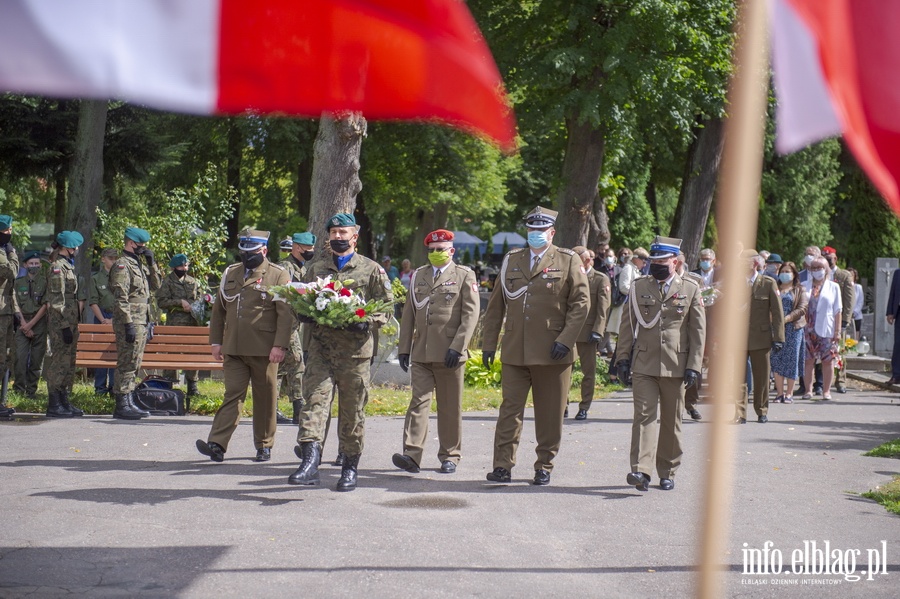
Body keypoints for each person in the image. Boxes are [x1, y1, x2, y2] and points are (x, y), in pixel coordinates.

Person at [481, 206, 588, 486]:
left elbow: (581, 304)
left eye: (541, 231)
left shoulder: (567, 260)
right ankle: (502, 465)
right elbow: (496, 306)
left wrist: (565, 340)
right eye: (532, 230)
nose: (536, 235)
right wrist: (489, 344)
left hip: (554, 350)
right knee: (509, 410)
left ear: (551, 232)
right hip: (516, 349)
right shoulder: (512, 260)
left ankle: (544, 464)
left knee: (550, 413)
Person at [289, 213, 393, 492]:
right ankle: (310, 462)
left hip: (355, 353)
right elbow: (300, 298)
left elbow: (386, 306)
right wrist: (304, 313)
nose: (337, 237)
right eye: (333, 232)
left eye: (343, 232)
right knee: (313, 403)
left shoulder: (371, 269)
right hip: (321, 349)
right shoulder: (317, 268)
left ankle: (349, 467)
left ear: (354, 237)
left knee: (352, 411)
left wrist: (367, 321)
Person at [615, 236, 705, 491]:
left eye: (662, 261)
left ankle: (667, 470)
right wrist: (622, 358)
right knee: (643, 417)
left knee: (670, 420)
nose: (656, 265)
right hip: (644, 362)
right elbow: (627, 325)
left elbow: (698, 331)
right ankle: (641, 471)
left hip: (677, 364)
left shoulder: (690, 288)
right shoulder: (638, 286)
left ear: (675, 262)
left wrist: (694, 366)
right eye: (653, 260)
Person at [197, 228, 292, 463]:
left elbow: (286, 315)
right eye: (243, 252)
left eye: (252, 252)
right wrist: (216, 342)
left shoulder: (278, 275)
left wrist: (280, 345)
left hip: (265, 349)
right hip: (234, 348)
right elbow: (219, 311)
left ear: (264, 250)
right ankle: (217, 444)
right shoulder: (230, 273)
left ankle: (264, 444)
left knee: (265, 397)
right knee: (232, 395)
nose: (247, 257)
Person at [393, 229, 479, 474]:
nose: (435, 254)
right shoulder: (419, 275)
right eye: (431, 250)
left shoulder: (464, 275)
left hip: (450, 353)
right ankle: (411, 454)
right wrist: (404, 348)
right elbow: (409, 313)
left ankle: (450, 455)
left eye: (440, 250)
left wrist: (458, 347)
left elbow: (470, 316)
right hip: (422, 351)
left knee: (450, 406)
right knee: (418, 403)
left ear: (451, 251)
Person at [109, 226, 162, 420]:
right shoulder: (122, 265)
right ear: (131, 243)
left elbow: (157, 286)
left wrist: (152, 263)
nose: (144, 248)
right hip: (130, 321)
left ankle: (129, 399)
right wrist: (127, 323)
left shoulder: (138, 264)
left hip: (142, 320)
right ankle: (121, 403)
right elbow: (120, 297)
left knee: (135, 362)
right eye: (141, 245)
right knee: (127, 361)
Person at [735, 251, 785, 424]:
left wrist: (778, 337)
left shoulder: (768, 283)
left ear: (755, 263)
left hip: (761, 337)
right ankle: (740, 413)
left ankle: (761, 410)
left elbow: (777, 313)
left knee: (762, 377)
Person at [43, 231, 86, 417]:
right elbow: (56, 301)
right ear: (68, 248)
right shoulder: (57, 268)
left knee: (68, 362)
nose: (77, 250)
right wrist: (64, 325)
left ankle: (63, 400)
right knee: (59, 362)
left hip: (70, 320)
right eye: (75, 246)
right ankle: (54, 404)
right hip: (61, 322)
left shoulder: (67, 266)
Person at [278, 231, 317, 424]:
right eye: (308, 248)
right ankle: (296, 408)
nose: (310, 252)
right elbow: (281, 295)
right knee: (296, 363)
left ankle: (279, 408)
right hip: (284, 324)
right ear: (297, 247)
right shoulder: (286, 267)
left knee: (284, 365)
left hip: (293, 324)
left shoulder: (300, 267)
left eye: (312, 248)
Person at [569, 245, 610, 420]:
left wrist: (598, 331)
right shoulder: (568, 277)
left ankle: (584, 406)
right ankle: (562, 404)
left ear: (586, 261)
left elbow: (603, 309)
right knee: (564, 372)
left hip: (587, 334)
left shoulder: (600, 279)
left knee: (588, 373)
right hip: (568, 333)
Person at [156, 253, 201, 397]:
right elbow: (161, 302)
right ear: (174, 267)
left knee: (193, 354)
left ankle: (192, 386)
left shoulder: (193, 282)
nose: (184, 268)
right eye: (181, 266)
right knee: (171, 353)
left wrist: (194, 305)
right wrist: (179, 302)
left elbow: (200, 300)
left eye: (186, 265)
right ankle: (167, 385)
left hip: (192, 324)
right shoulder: (167, 282)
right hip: (174, 325)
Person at [801, 257, 842, 400]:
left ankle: (826, 391)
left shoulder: (833, 286)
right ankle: (808, 390)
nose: (817, 271)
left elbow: (838, 311)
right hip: (807, 329)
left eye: (820, 267)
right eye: (814, 268)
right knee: (808, 360)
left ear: (826, 270)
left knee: (827, 360)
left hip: (826, 328)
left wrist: (837, 332)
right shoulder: (804, 285)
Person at [606, 247, 647, 383]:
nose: (645, 264)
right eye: (644, 260)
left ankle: (621, 374)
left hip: (632, 308)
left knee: (626, 344)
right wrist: (640, 294)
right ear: (636, 258)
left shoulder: (635, 270)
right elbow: (624, 287)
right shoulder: (628, 269)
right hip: (625, 309)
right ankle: (613, 375)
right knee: (623, 344)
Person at [13, 250, 48, 398]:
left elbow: (46, 305)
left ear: (40, 265)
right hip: (22, 322)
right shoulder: (18, 282)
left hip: (39, 322)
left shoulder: (45, 281)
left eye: (37, 263)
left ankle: (31, 391)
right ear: (25, 265)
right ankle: (19, 390)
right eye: (31, 263)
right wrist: (24, 324)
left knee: (36, 359)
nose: (34, 266)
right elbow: (14, 303)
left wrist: (31, 325)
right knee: (19, 358)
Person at [771, 261, 807, 403]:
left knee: (792, 360)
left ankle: (789, 393)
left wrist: (786, 319)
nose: (785, 274)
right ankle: (779, 393)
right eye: (783, 271)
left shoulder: (799, 289)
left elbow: (802, 308)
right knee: (777, 359)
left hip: (793, 328)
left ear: (794, 274)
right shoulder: (774, 288)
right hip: (776, 329)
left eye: (788, 271)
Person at [822, 246, 855, 393]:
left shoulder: (844, 275)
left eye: (829, 259)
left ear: (835, 259)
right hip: (823, 320)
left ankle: (840, 381)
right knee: (822, 350)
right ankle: (822, 381)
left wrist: (845, 321)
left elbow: (849, 300)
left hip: (838, 319)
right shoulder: (820, 275)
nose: (827, 262)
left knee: (839, 350)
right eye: (824, 259)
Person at [88, 248, 119, 395]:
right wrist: (103, 320)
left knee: (115, 353)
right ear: (103, 259)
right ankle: (100, 388)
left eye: (115, 258)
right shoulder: (95, 278)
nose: (113, 261)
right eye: (110, 258)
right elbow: (93, 302)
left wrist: (113, 320)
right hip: (101, 315)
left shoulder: (121, 276)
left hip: (117, 317)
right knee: (101, 353)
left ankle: (114, 388)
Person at [0, 214, 19, 418]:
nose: (10, 233)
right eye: (7, 230)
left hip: (5, 311)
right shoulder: (3, 252)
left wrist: (15, 312)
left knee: (4, 359)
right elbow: (12, 272)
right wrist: (12, 252)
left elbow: (9, 289)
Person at [886, 267, 900, 384]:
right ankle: (896, 374)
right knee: (898, 344)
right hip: (899, 312)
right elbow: (893, 292)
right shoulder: (897, 273)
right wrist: (890, 311)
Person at [848, 268, 863, 339]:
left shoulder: (858, 287)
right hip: (846, 315)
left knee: (856, 333)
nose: (850, 277)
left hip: (856, 316)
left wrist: (854, 312)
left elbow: (860, 301)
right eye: (849, 275)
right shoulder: (843, 286)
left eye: (852, 275)